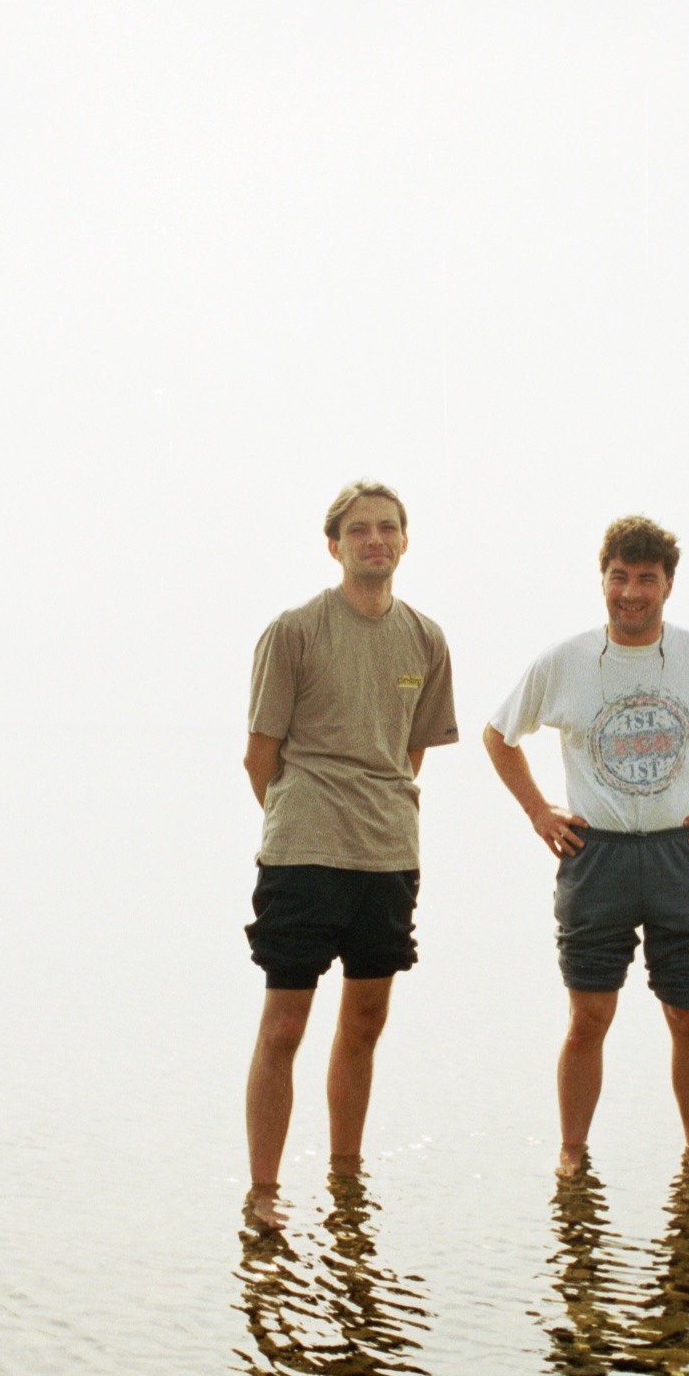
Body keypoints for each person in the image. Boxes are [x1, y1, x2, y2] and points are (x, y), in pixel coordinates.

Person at [483, 515, 689, 1179]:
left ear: (668, 584)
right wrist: (537, 810)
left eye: (646, 578)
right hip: (595, 855)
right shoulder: (564, 660)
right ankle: (571, 1152)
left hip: (681, 856)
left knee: (688, 1015)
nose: (631, 592)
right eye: (619, 576)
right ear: (603, 579)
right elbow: (499, 735)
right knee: (588, 1015)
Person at [243, 480, 458, 1223]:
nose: (375, 540)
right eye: (359, 529)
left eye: (387, 529)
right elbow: (258, 756)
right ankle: (265, 1191)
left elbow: (407, 754)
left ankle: (344, 1178)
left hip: (388, 855)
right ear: (333, 544)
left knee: (364, 1022)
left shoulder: (426, 639)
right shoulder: (294, 631)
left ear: (404, 541)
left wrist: (375, 813)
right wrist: (299, 826)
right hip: (302, 854)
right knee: (284, 1025)